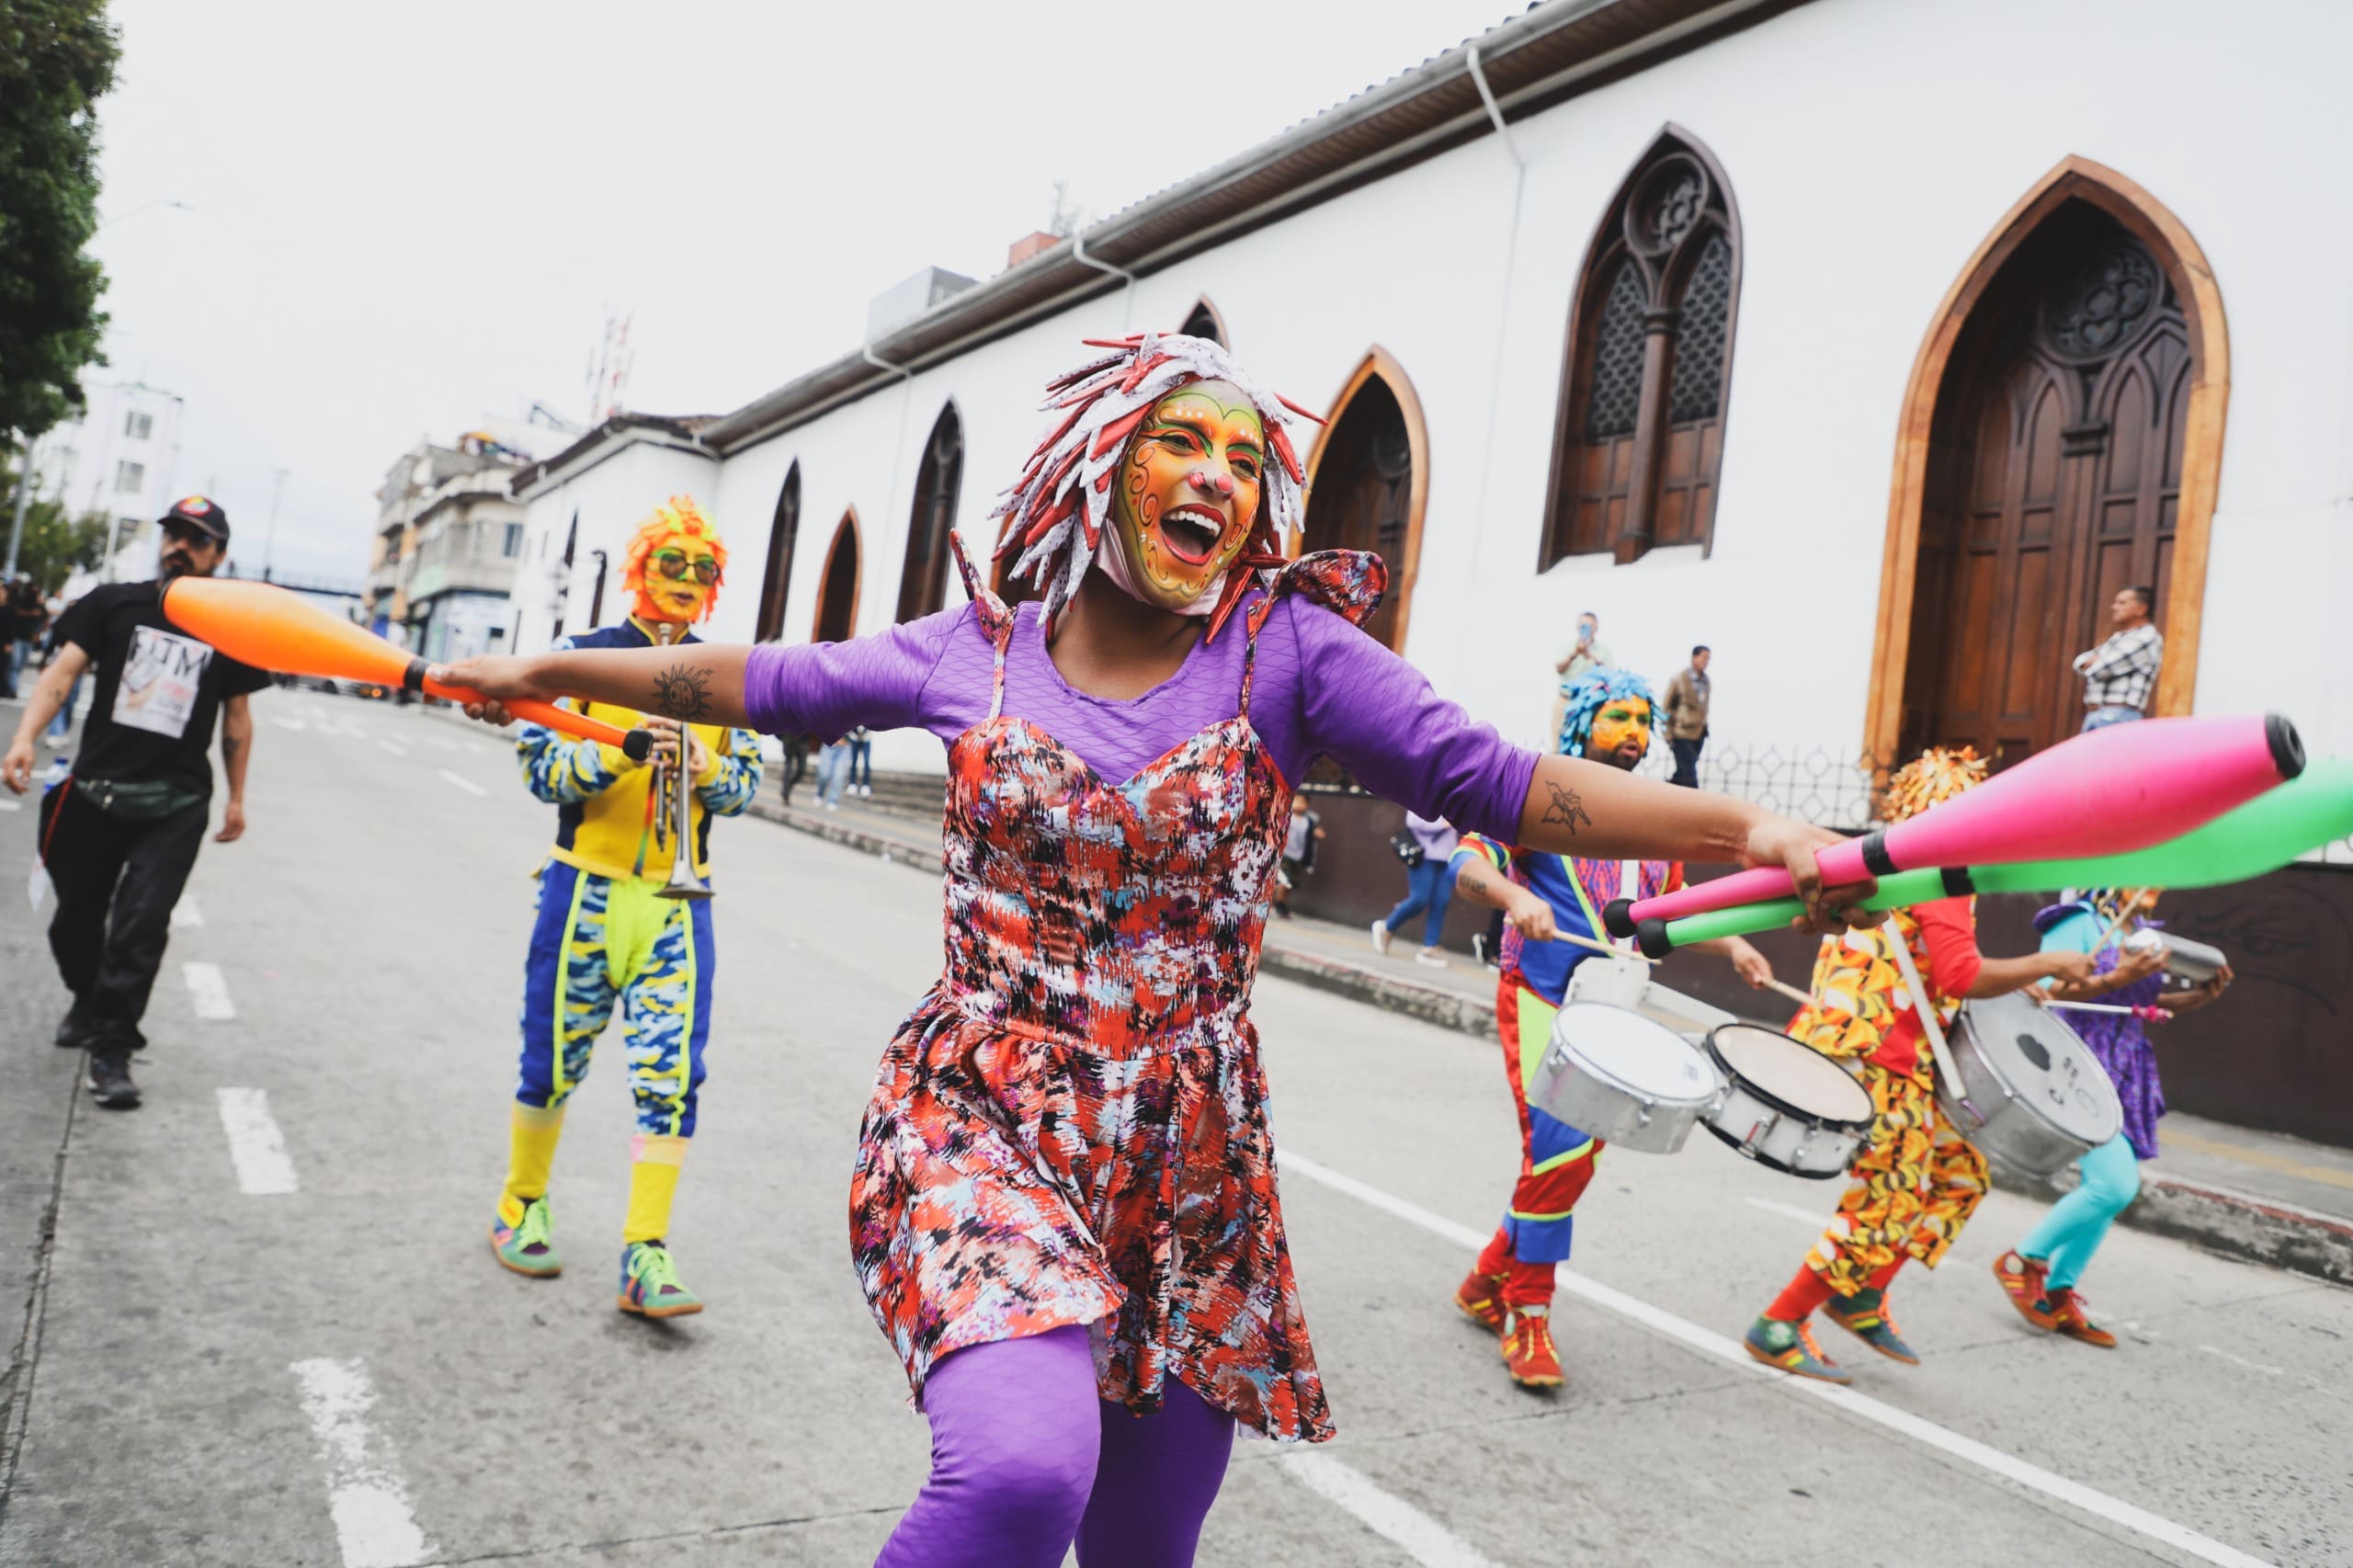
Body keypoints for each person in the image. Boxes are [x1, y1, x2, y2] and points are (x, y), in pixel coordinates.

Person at [435, 332, 1856, 1566]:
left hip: (1188, 1158)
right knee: (1019, 1472)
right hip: (980, 1111)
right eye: (1182, 440)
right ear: (1101, 466)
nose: (1220, 477)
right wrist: (547, 668)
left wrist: (1745, 824)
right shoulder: (974, 650)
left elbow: (1505, 782)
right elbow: (769, 681)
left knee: (1141, 1539)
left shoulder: (1289, 654)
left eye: (1244, 460)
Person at [1448, 667, 1777, 1387]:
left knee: (1576, 1157)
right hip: (1539, 995)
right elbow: (1467, 864)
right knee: (1562, 1149)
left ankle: (1485, 1281)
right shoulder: (1534, 798)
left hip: (1611, 1008)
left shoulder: (1653, 824)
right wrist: (1509, 895)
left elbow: (1675, 909)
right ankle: (1526, 1314)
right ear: (1582, 723)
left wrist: (1735, 943)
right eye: (1617, 717)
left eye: (1642, 721)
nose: (1634, 732)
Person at [1741, 747, 2101, 1384]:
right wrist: (2046, 964)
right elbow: (1962, 975)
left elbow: (1944, 973)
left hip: (1878, 1052)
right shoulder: (1942, 872)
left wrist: (2021, 980)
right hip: (1883, 1058)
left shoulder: (1891, 861)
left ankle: (1860, 1294)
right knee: (1887, 1198)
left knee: (1960, 1174)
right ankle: (1778, 1324)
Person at [485, 498, 763, 1320]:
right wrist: (616, 750)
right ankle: (520, 1205)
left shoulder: (726, 670)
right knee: (553, 1059)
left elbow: (744, 786)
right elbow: (542, 773)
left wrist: (705, 770)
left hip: (679, 901)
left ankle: (646, 1251)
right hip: (584, 890)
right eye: (670, 563)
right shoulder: (581, 657)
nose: (684, 580)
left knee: (672, 1076)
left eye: (701, 569)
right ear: (640, 568)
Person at [1, 497, 267, 1109]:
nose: (180, 546)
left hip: (176, 804)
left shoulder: (234, 629)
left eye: (196, 540)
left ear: (219, 555)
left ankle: (113, 1049)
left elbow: (238, 719)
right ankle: (89, 1000)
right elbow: (61, 674)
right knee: (74, 921)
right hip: (95, 792)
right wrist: (24, 739)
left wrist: (238, 799)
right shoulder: (114, 603)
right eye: (173, 534)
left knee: (140, 927)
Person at [1991, 888, 2232, 1346]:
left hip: (2126, 1071)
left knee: (2108, 1190)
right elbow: (2044, 990)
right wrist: (2117, 975)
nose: (2158, 883)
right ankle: (2023, 1260)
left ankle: (2059, 1291)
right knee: (2114, 1185)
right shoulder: (2077, 922)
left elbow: (2137, 1001)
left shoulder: (2140, 934)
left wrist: (2198, 996)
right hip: (2077, 1066)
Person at [2074, 585, 2163, 732]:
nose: (2114, 607)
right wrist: (2092, 661)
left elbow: (2101, 669)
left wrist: (2096, 661)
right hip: (2098, 714)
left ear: (2141, 609)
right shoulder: (2120, 637)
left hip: (2118, 715)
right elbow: (2080, 661)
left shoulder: (2146, 637)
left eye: (2122, 603)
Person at [1373, 811, 1457, 966]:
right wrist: (1443, 824)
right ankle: (1387, 926)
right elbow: (1412, 821)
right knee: (1419, 899)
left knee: (1441, 900)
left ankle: (1429, 947)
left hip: (1447, 856)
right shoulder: (1425, 792)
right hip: (1423, 856)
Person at [1547, 610, 1613, 744]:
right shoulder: (1567, 647)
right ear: (1577, 626)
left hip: (1591, 704)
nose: (1586, 629)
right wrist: (1574, 654)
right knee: (1558, 742)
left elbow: (1611, 674)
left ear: (1596, 628)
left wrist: (1591, 656)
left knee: (1588, 743)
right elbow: (1559, 668)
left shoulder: (1603, 650)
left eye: (1589, 626)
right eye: (1583, 625)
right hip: (1565, 700)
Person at [1662, 645, 1711, 788]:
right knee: (1689, 775)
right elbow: (1666, 707)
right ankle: (1696, 803)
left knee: (1683, 772)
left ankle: (1667, 792)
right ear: (1694, 657)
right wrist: (1667, 733)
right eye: (1704, 657)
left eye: (1708, 658)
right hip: (1681, 733)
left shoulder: (1706, 681)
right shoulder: (1679, 679)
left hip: (1698, 733)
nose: (1706, 661)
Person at [1272, 792, 1323, 919]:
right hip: (1285, 854)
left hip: (1299, 856)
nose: (1299, 804)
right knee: (1285, 880)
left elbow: (1311, 835)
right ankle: (1279, 905)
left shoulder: (1308, 821)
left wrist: (1316, 834)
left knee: (1291, 883)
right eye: (1296, 801)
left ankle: (1282, 903)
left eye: (1302, 802)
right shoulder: (1287, 815)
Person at [42, 598, 85, 746]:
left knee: (70, 701)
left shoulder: (88, 627)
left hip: (78, 668)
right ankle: (55, 732)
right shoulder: (61, 625)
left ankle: (63, 730)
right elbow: (51, 643)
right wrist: (44, 661)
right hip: (59, 664)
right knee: (57, 697)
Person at [847, 723, 874, 797]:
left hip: (866, 739)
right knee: (853, 762)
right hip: (854, 738)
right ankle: (852, 784)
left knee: (866, 763)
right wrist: (857, 733)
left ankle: (866, 785)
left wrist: (863, 733)